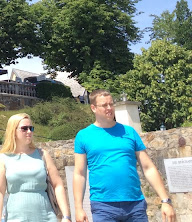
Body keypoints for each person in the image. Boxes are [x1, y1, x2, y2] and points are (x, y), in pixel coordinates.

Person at [73, 89, 176, 222]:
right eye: (104, 105)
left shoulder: (129, 132)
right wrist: (78, 208)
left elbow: (148, 167)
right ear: (93, 108)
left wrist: (165, 200)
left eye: (111, 104)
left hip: (135, 205)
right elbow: (79, 174)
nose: (109, 108)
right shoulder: (83, 136)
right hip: (103, 206)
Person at [0, 113, 71, 222]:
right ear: (13, 131)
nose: (29, 132)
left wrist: (66, 216)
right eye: (24, 129)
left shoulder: (43, 155)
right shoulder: (3, 158)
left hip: (46, 217)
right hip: (15, 218)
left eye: (31, 128)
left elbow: (58, 185)